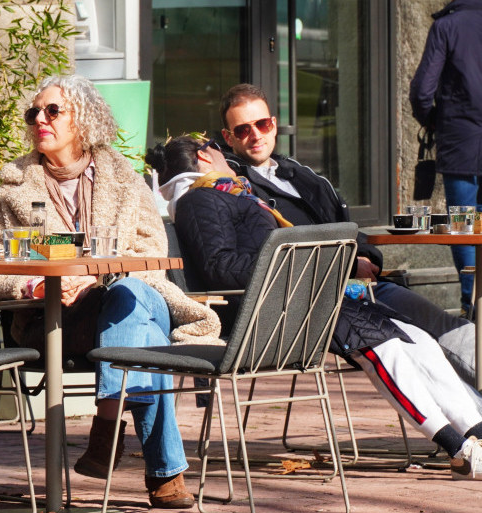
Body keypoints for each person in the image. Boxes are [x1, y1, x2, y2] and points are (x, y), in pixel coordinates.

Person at [150, 135, 482, 481]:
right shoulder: (200, 200)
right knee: (386, 350)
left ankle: (477, 431)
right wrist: (302, 266)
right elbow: (219, 267)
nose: (226, 154)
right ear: (205, 157)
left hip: (298, 298)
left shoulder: (229, 192)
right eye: (218, 148)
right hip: (269, 312)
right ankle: (457, 448)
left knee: (418, 340)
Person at [0, 75, 222, 509]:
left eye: (53, 110)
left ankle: (107, 427)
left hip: (124, 297)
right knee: (143, 332)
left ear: (83, 119)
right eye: (34, 112)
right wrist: (36, 283)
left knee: (127, 295)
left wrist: (95, 276)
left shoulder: (123, 178)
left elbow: (151, 250)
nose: (40, 119)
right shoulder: (13, 185)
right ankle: (161, 471)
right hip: (53, 318)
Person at [216, 83, 477, 386]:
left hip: (360, 287)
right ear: (228, 137)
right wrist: (350, 265)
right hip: (316, 302)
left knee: (456, 329)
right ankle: (468, 425)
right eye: (243, 129)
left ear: (273, 124)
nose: (256, 135)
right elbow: (275, 255)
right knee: (421, 345)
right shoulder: (234, 189)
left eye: (261, 124)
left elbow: (350, 229)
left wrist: (366, 256)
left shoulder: (302, 176)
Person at [409, 0, 482, 314]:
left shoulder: (447, 26)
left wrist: (435, 121)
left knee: (466, 225)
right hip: (462, 143)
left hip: (461, 146)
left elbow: (422, 90)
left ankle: (472, 306)